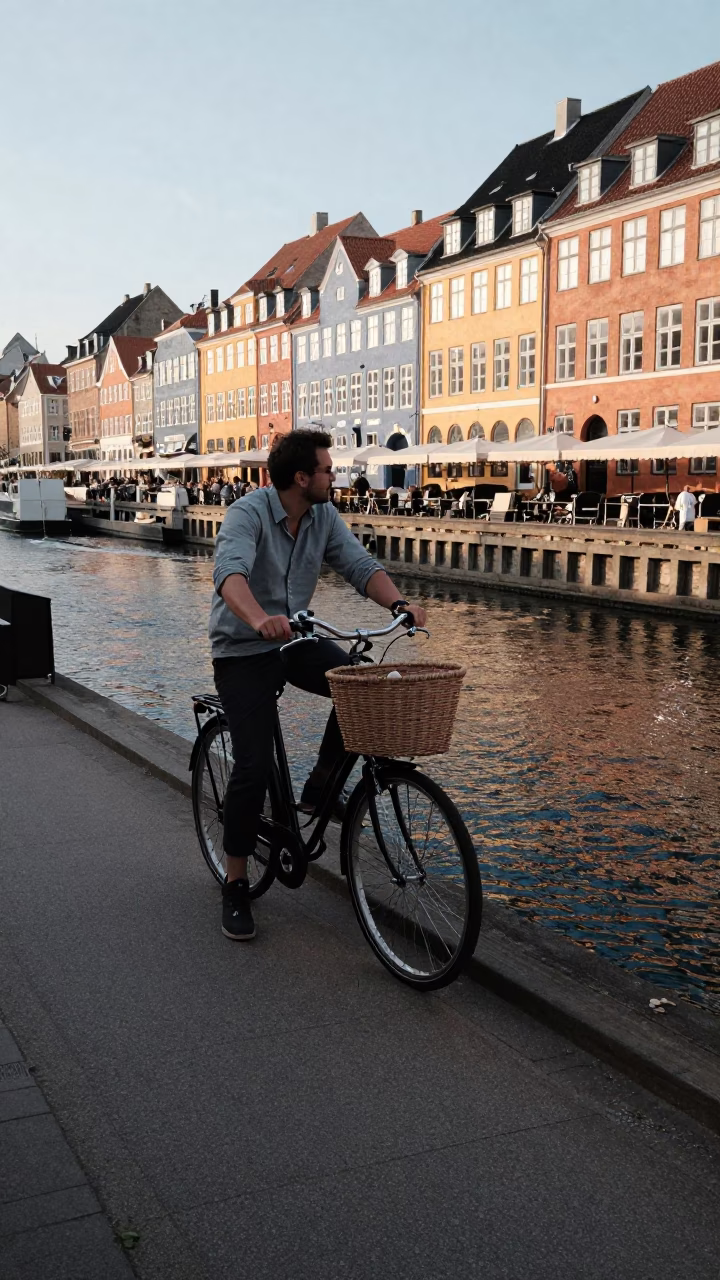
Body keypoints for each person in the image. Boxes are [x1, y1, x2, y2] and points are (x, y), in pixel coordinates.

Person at [210, 429, 427, 942]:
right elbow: (229, 574)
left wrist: (398, 606)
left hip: (293, 639)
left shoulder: (323, 516)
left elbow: (358, 565)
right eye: (328, 469)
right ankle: (236, 883)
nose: (335, 475)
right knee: (253, 764)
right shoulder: (249, 513)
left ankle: (319, 788)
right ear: (302, 477)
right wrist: (260, 618)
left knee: (358, 683)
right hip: (243, 648)